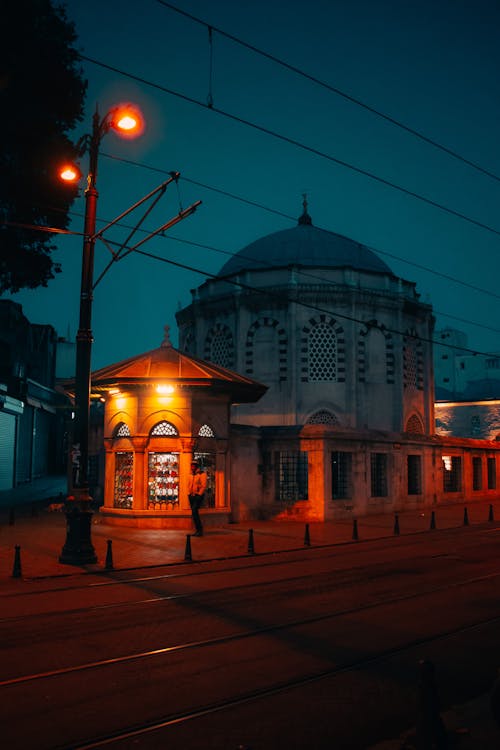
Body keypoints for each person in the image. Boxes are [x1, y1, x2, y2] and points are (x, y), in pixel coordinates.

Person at [188, 461, 207, 536]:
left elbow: (203, 485)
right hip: (191, 495)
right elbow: (189, 484)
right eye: (191, 466)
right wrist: (188, 493)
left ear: (196, 466)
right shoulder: (191, 474)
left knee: (195, 511)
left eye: (194, 466)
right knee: (194, 513)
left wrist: (199, 495)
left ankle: (199, 530)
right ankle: (198, 530)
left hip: (198, 495)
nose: (192, 467)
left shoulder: (202, 474)